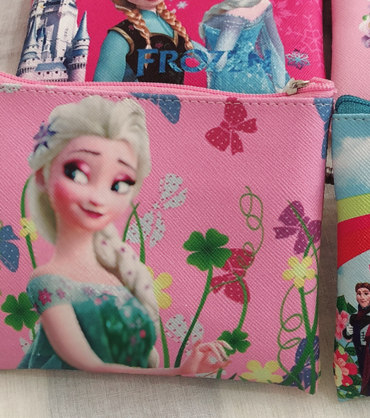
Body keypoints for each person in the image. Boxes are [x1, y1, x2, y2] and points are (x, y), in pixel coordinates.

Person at [18, 96, 229, 374]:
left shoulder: (117, 274)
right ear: (43, 176)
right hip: (71, 394)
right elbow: (87, 363)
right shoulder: (49, 281)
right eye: (77, 174)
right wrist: (176, 372)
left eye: (119, 184)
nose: (98, 197)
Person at [93, 0, 204, 84]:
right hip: (133, 97)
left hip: (177, 96)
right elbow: (104, 85)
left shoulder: (173, 26)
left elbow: (208, 58)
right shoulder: (121, 35)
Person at [343, 282, 370, 381]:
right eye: (359, 294)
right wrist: (348, 332)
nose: (362, 297)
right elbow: (347, 336)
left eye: (366, 293)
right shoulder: (354, 317)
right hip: (359, 353)